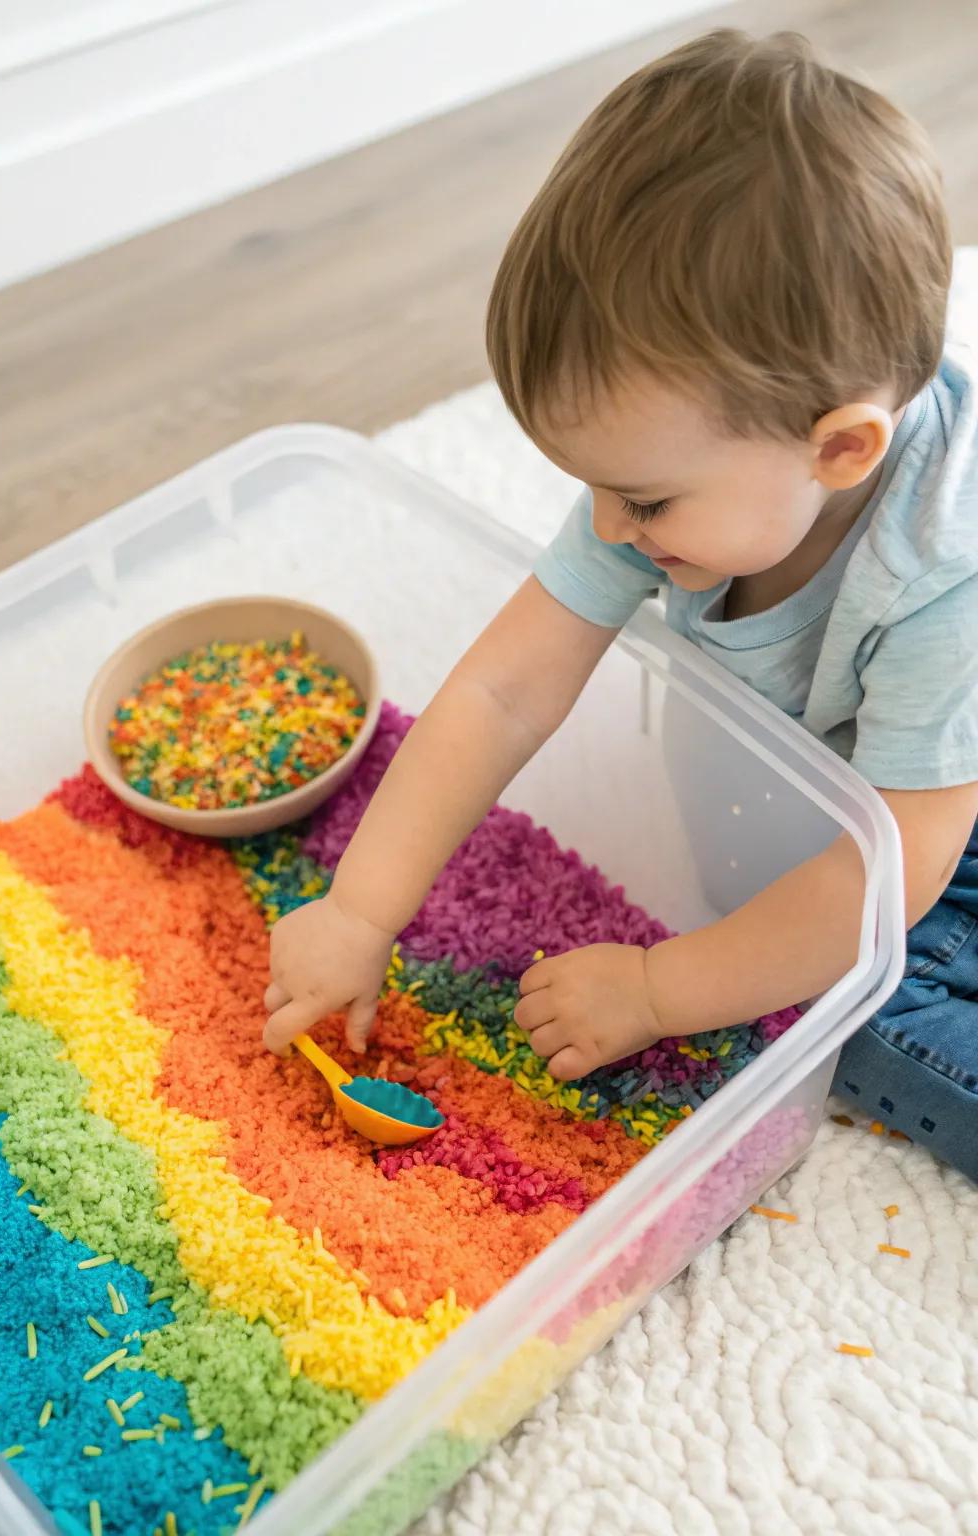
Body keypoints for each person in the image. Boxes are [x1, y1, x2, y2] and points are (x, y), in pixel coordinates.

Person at [263, 31, 978, 1179]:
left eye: (640, 500)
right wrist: (358, 914)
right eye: (592, 487)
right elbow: (503, 689)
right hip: (876, 798)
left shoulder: (945, 577)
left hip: (937, 816)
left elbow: (881, 884)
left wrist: (661, 989)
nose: (605, 530)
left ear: (839, 449)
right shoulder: (667, 485)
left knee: (846, 1023)